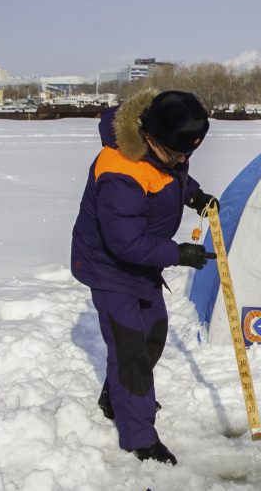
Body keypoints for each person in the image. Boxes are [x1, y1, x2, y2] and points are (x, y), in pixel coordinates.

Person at [71, 89, 220, 465]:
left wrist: (195, 196)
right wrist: (178, 253)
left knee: (153, 334)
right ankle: (139, 437)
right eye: (177, 153)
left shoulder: (165, 151)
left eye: (189, 153)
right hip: (110, 267)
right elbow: (126, 243)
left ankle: (116, 397)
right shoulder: (119, 171)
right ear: (150, 138)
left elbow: (174, 175)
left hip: (142, 265)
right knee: (131, 351)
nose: (183, 160)